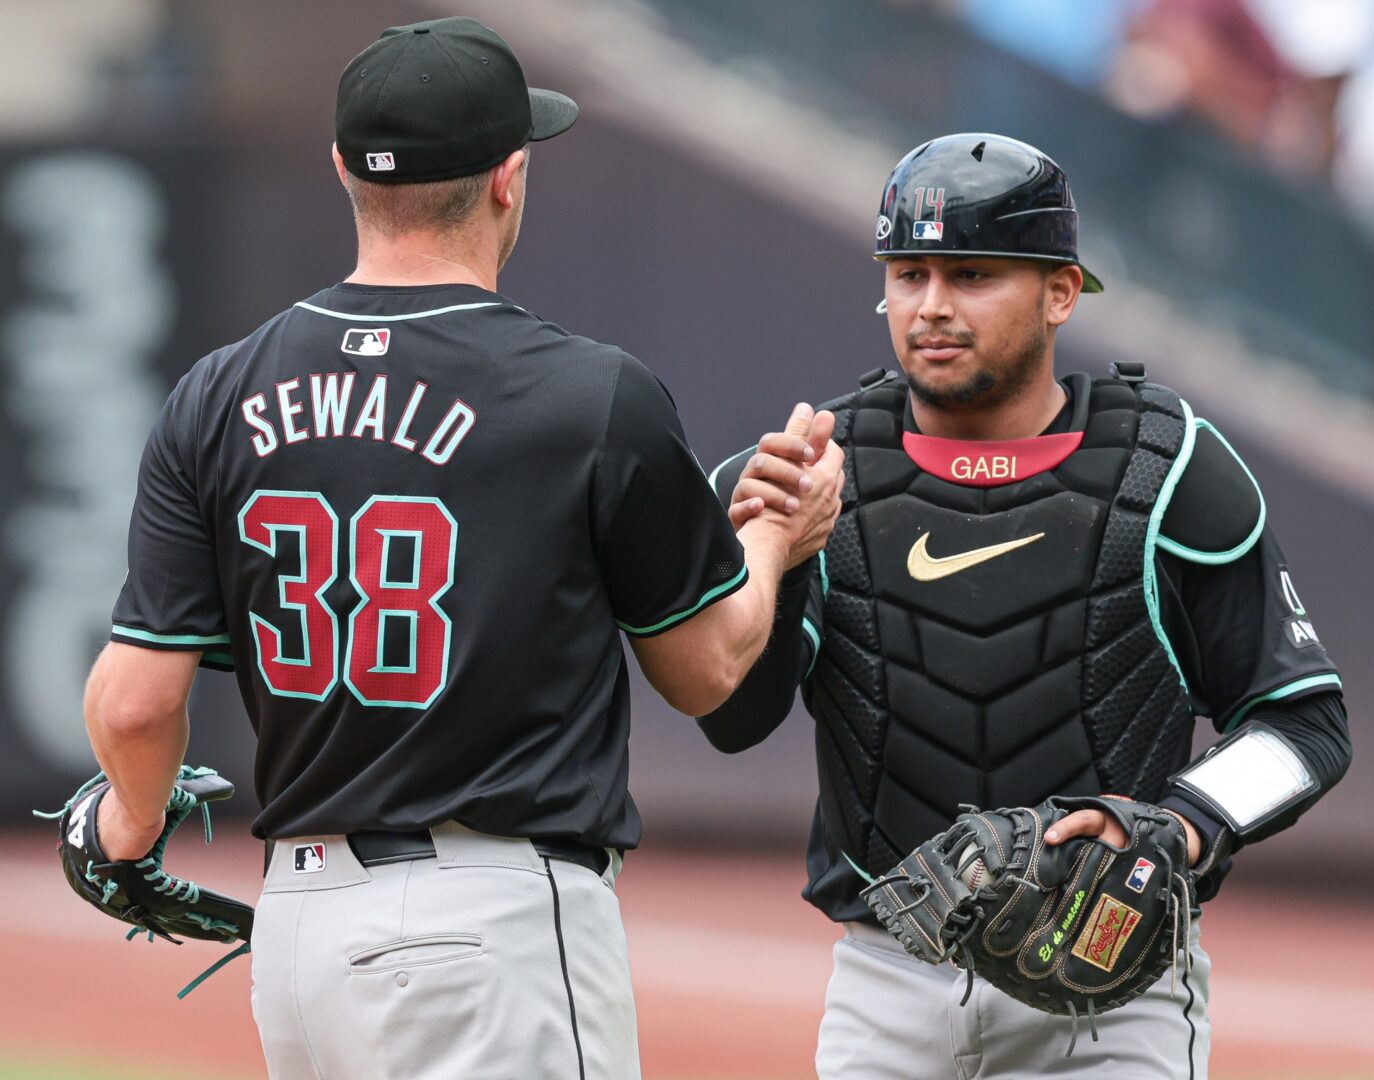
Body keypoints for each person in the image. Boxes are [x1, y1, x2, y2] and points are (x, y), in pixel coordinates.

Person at [81, 16, 841, 1080]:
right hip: (491, 924)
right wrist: (773, 541)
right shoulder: (588, 394)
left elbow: (132, 704)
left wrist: (128, 824)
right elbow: (711, 674)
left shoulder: (218, 391)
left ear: (343, 166)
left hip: (299, 930)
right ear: (507, 177)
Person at [700, 132, 1351, 1080]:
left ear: (1060, 292)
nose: (930, 306)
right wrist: (784, 556)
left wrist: (1182, 820)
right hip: (885, 984)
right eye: (908, 272)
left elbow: (1304, 723)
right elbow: (733, 718)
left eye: (970, 273)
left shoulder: (1169, 472)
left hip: (1111, 995)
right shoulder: (815, 475)